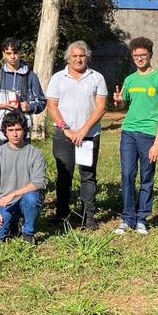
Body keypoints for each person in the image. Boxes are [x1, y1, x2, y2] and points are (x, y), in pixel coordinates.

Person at [46, 41, 107, 229]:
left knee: (88, 176)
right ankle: (62, 214)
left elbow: (101, 107)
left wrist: (84, 130)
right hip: (64, 135)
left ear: (87, 56)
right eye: (75, 56)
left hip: (89, 136)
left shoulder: (97, 78)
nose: (78, 59)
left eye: (82, 56)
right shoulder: (58, 78)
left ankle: (88, 216)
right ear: (68, 58)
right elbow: (52, 106)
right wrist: (67, 129)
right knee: (64, 175)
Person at [112, 37, 158, 235]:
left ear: (150, 55)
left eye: (143, 55)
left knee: (147, 177)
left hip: (149, 135)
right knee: (127, 175)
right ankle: (127, 218)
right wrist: (118, 102)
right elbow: (123, 105)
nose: (139, 58)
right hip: (128, 132)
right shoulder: (129, 80)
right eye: (136, 55)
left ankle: (142, 219)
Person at [0, 111, 47, 244]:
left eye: (18, 129)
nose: (15, 134)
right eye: (10, 130)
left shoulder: (35, 154)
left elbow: (39, 182)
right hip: (5, 203)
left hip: (25, 200)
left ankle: (28, 233)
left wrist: (14, 194)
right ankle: (13, 223)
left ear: (24, 130)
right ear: (5, 132)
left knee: (32, 198)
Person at [0, 38, 46, 148]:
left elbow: (42, 102)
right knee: (1, 165)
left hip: (23, 133)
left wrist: (30, 106)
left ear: (20, 53)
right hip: (0, 133)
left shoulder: (31, 76)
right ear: (3, 54)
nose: (12, 56)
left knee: (22, 165)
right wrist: (2, 106)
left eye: (15, 53)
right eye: (8, 53)